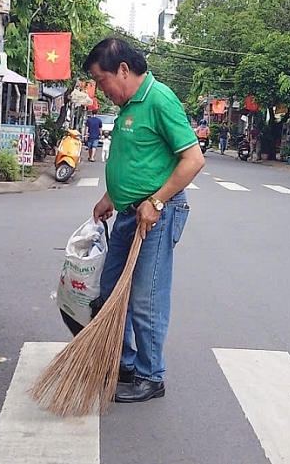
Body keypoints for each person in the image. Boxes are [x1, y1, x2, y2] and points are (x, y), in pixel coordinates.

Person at [84, 37, 205, 403]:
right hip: (127, 211)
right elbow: (136, 160)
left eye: (103, 80)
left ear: (123, 69)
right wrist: (111, 195)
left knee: (145, 298)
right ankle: (123, 362)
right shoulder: (128, 106)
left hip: (157, 214)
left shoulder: (159, 99)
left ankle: (151, 376)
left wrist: (155, 201)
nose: (104, 91)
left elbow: (193, 160)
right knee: (108, 293)